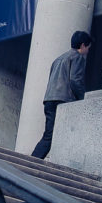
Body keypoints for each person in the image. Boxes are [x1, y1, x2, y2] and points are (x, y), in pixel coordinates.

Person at [31, 31, 92, 160]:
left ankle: (33, 159)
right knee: (67, 134)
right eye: (88, 47)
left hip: (49, 99)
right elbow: (75, 80)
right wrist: (83, 98)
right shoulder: (78, 57)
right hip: (64, 100)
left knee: (49, 134)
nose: (87, 51)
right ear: (82, 46)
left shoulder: (58, 59)